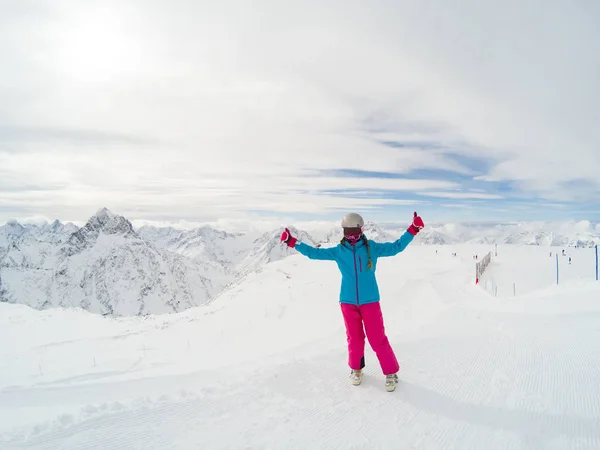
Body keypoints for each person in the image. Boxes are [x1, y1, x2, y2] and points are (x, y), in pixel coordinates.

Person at [280, 211, 425, 392]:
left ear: (361, 230)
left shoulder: (372, 248)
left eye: (354, 231)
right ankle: (356, 369)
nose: (351, 236)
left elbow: (396, 247)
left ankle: (391, 373)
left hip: (370, 301)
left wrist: (413, 229)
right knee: (354, 339)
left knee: (377, 339)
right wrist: (292, 242)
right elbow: (313, 253)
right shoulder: (339, 251)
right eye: (347, 232)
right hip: (348, 302)